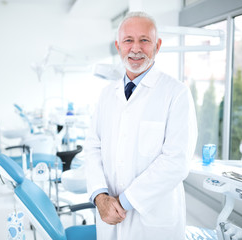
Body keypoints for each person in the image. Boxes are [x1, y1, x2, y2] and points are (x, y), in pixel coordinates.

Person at [85, 11, 198, 240]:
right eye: (128, 40)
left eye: (144, 40)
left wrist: (123, 202)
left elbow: (176, 161)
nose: (135, 48)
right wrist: (100, 197)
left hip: (154, 223)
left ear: (157, 45)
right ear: (118, 46)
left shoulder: (176, 94)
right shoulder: (107, 95)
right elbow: (92, 148)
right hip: (109, 220)